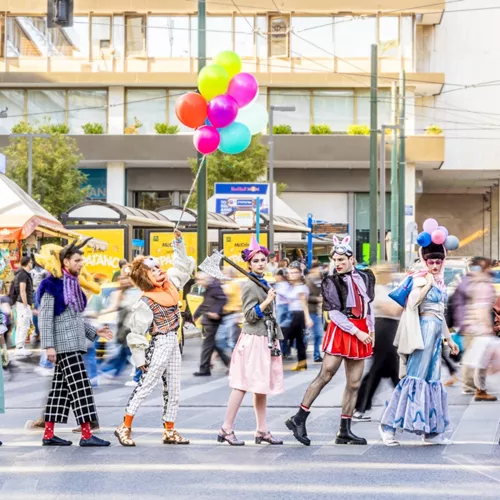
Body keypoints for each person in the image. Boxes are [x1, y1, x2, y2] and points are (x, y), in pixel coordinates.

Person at [286, 235, 375, 446]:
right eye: (335, 260)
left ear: (351, 259)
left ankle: (344, 430)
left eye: (342, 260)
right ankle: (299, 417)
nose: (338, 263)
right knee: (326, 374)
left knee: (354, 383)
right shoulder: (331, 282)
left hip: (361, 329)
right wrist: (358, 332)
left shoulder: (365, 277)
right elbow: (335, 315)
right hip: (344, 329)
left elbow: (368, 306)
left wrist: (371, 330)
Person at [379, 238, 460, 446]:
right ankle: (388, 427)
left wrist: (448, 339)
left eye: (438, 261)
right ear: (424, 260)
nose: (435, 265)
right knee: (413, 379)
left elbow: (440, 314)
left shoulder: (440, 282)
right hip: (421, 332)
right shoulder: (419, 278)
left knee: (431, 381)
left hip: (434, 336)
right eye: (431, 261)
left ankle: (431, 432)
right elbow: (412, 303)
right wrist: (428, 284)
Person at [115, 232, 190, 447]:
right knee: (146, 384)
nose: (158, 271)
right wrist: (140, 359)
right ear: (145, 277)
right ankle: (125, 426)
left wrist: (178, 244)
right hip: (160, 342)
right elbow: (136, 332)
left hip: (173, 341)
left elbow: (183, 268)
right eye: (153, 270)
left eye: (158, 267)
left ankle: (169, 429)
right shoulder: (146, 301)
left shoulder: (171, 286)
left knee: (174, 387)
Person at [38, 239, 113, 447]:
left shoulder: (72, 284)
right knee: (82, 388)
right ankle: (87, 435)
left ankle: (48, 434)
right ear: (65, 261)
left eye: (82, 260)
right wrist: (49, 346)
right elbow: (45, 318)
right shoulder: (50, 284)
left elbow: (75, 319)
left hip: (72, 343)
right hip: (64, 346)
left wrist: (95, 331)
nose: (81, 264)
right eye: (77, 260)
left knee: (59, 392)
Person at [218, 235, 284, 446]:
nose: (260, 263)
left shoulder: (263, 282)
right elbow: (249, 315)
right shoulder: (249, 286)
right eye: (255, 261)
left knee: (260, 386)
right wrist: (267, 301)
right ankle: (226, 428)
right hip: (254, 339)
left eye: (262, 260)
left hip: (265, 338)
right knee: (242, 384)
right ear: (249, 264)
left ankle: (262, 430)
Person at [353, 264, 402, 422]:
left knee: (385, 370)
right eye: (388, 272)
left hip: (389, 329)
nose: (391, 275)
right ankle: (360, 407)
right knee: (381, 369)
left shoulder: (385, 289)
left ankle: (361, 407)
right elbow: (392, 310)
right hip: (383, 330)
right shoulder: (377, 290)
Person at [458, 257, 497, 401]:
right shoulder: (482, 284)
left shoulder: (471, 281)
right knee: (479, 359)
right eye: (489, 267)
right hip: (478, 327)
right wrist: (487, 326)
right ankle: (475, 389)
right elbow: (481, 308)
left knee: (477, 358)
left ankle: (476, 388)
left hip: (471, 325)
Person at [193, 273, 230, 377]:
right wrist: (196, 315)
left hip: (212, 320)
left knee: (207, 345)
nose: (198, 283)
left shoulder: (214, 287)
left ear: (205, 279)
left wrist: (215, 311)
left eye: (200, 280)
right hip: (209, 319)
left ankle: (204, 369)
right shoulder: (210, 288)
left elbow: (223, 299)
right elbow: (205, 304)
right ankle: (229, 363)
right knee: (213, 345)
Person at [284, 264, 313, 371]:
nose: (291, 275)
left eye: (294, 273)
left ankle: (282, 354)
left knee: (285, 336)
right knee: (299, 340)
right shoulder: (293, 286)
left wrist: (307, 318)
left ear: (300, 274)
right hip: (293, 314)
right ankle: (302, 363)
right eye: (290, 273)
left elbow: (304, 304)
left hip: (298, 315)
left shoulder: (301, 288)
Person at [10, 256, 34, 357]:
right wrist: (25, 305)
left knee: (21, 325)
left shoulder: (21, 274)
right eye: (31, 262)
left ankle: (19, 347)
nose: (32, 264)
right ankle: (20, 348)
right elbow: (22, 290)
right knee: (24, 325)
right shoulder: (23, 275)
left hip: (20, 303)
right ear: (28, 263)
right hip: (22, 303)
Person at [306, 260, 324, 363]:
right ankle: (315, 354)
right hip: (309, 310)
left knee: (317, 334)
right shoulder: (308, 280)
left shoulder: (319, 279)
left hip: (317, 310)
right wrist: (317, 299)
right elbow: (305, 296)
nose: (319, 270)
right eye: (317, 268)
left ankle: (317, 355)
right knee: (313, 334)